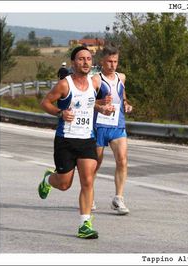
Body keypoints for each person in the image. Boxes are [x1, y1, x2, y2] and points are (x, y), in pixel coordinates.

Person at [38, 46, 112, 239]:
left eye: (88, 59)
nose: (86, 62)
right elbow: (45, 102)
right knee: (64, 184)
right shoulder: (65, 84)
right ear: (73, 63)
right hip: (66, 140)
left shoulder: (94, 83)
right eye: (81, 59)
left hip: (87, 139)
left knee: (87, 180)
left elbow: (90, 103)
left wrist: (102, 108)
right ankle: (48, 179)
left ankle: (84, 224)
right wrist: (60, 113)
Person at [92, 46, 133, 215]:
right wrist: (101, 102)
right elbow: (89, 102)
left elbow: (122, 97)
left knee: (122, 160)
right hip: (99, 125)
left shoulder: (121, 77)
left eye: (115, 61)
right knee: (96, 162)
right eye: (109, 61)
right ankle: (89, 194)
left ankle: (118, 198)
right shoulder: (96, 79)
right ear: (102, 61)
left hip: (117, 124)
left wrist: (127, 104)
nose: (113, 65)